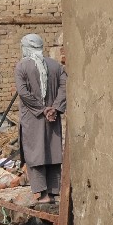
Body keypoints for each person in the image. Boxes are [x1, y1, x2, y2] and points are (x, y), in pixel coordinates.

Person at [15, 32, 67, 203]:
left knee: (35, 155)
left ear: (26, 47)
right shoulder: (56, 66)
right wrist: (55, 109)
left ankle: (43, 194)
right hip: (53, 118)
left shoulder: (22, 66)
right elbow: (64, 88)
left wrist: (42, 110)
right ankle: (53, 194)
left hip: (33, 118)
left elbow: (23, 93)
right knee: (52, 153)